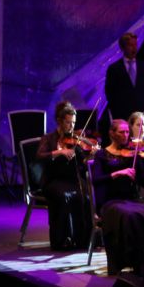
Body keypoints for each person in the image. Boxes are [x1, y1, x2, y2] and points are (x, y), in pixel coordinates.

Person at [91, 119, 144, 276]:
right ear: (112, 134)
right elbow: (96, 180)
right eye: (121, 132)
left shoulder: (133, 154)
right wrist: (118, 173)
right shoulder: (101, 155)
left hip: (131, 199)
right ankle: (132, 260)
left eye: (127, 132)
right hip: (110, 201)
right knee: (129, 216)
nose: (125, 135)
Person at [35, 101, 90, 250]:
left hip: (73, 180)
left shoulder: (76, 140)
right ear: (59, 121)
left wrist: (89, 154)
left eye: (74, 123)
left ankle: (82, 239)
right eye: (68, 122)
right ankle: (61, 240)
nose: (71, 126)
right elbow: (39, 156)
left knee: (85, 196)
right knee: (62, 196)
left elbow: (83, 163)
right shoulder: (48, 138)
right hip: (53, 181)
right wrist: (59, 152)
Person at [103, 32, 144, 136]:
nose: (134, 48)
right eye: (130, 45)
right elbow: (110, 93)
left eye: (135, 45)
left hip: (142, 116)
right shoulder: (114, 69)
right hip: (124, 116)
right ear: (123, 47)